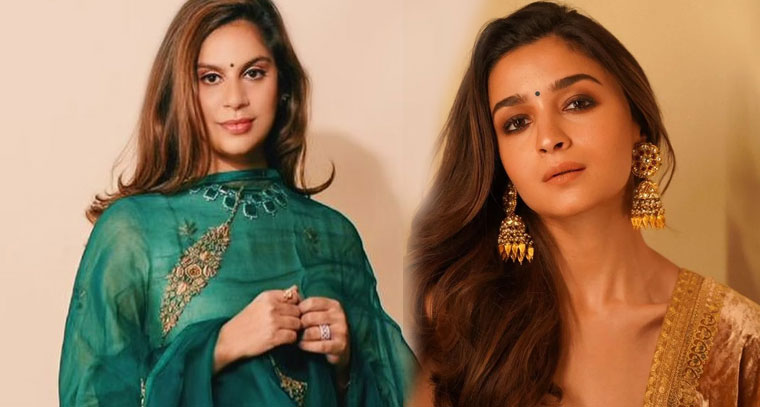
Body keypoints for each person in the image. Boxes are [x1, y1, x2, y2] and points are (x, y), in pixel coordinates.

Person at [58, 1, 415, 406]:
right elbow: (92, 395)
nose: (235, 99)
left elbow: (404, 393)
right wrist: (221, 346)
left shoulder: (334, 235)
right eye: (211, 78)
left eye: (253, 73)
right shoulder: (133, 230)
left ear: (283, 85)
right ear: (181, 91)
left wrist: (345, 365)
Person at [407, 2, 760, 406]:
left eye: (577, 103)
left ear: (637, 122)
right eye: (517, 122)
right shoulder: (464, 325)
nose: (549, 138)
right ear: (500, 160)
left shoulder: (737, 345)